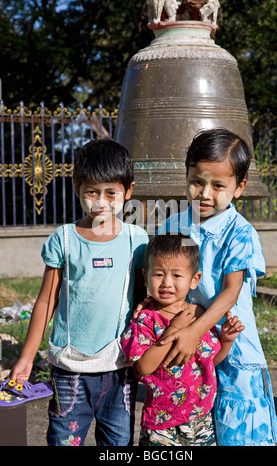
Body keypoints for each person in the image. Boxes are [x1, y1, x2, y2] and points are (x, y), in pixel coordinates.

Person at [10, 139, 148, 446]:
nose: (101, 202)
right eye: (91, 191)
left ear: (128, 191)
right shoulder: (65, 239)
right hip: (68, 368)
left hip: (120, 368)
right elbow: (46, 301)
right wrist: (26, 358)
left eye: (111, 192)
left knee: (118, 444)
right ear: (77, 189)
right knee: (63, 440)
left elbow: (142, 300)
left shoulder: (136, 240)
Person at [152, 128, 277, 446]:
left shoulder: (240, 233)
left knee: (236, 434)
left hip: (232, 348)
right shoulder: (173, 226)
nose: (205, 194)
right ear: (186, 176)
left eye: (218, 185)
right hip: (187, 352)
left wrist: (194, 329)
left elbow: (230, 293)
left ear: (239, 187)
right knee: (192, 435)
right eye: (197, 181)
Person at [122, 233, 245, 446]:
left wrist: (226, 341)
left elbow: (209, 362)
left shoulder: (199, 315)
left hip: (201, 419)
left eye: (177, 276)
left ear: (194, 279)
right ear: (145, 274)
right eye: (159, 274)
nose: (166, 283)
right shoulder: (145, 320)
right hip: (162, 422)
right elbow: (144, 366)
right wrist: (174, 329)